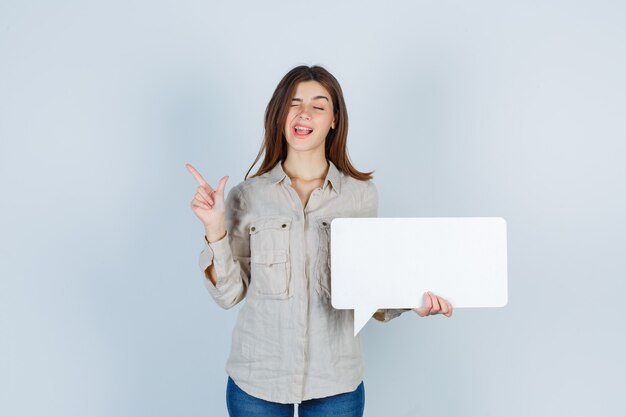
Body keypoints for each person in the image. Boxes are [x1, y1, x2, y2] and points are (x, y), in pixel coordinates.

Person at [186, 65, 453, 417]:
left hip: (335, 384)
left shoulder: (361, 197)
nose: (304, 113)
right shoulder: (246, 197)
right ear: (280, 115)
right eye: (294, 103)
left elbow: (368, 291)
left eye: (318, 105)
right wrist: (215, 228)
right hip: (257, 381)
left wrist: (412, 300)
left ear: (334, 120)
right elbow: (229, 294)